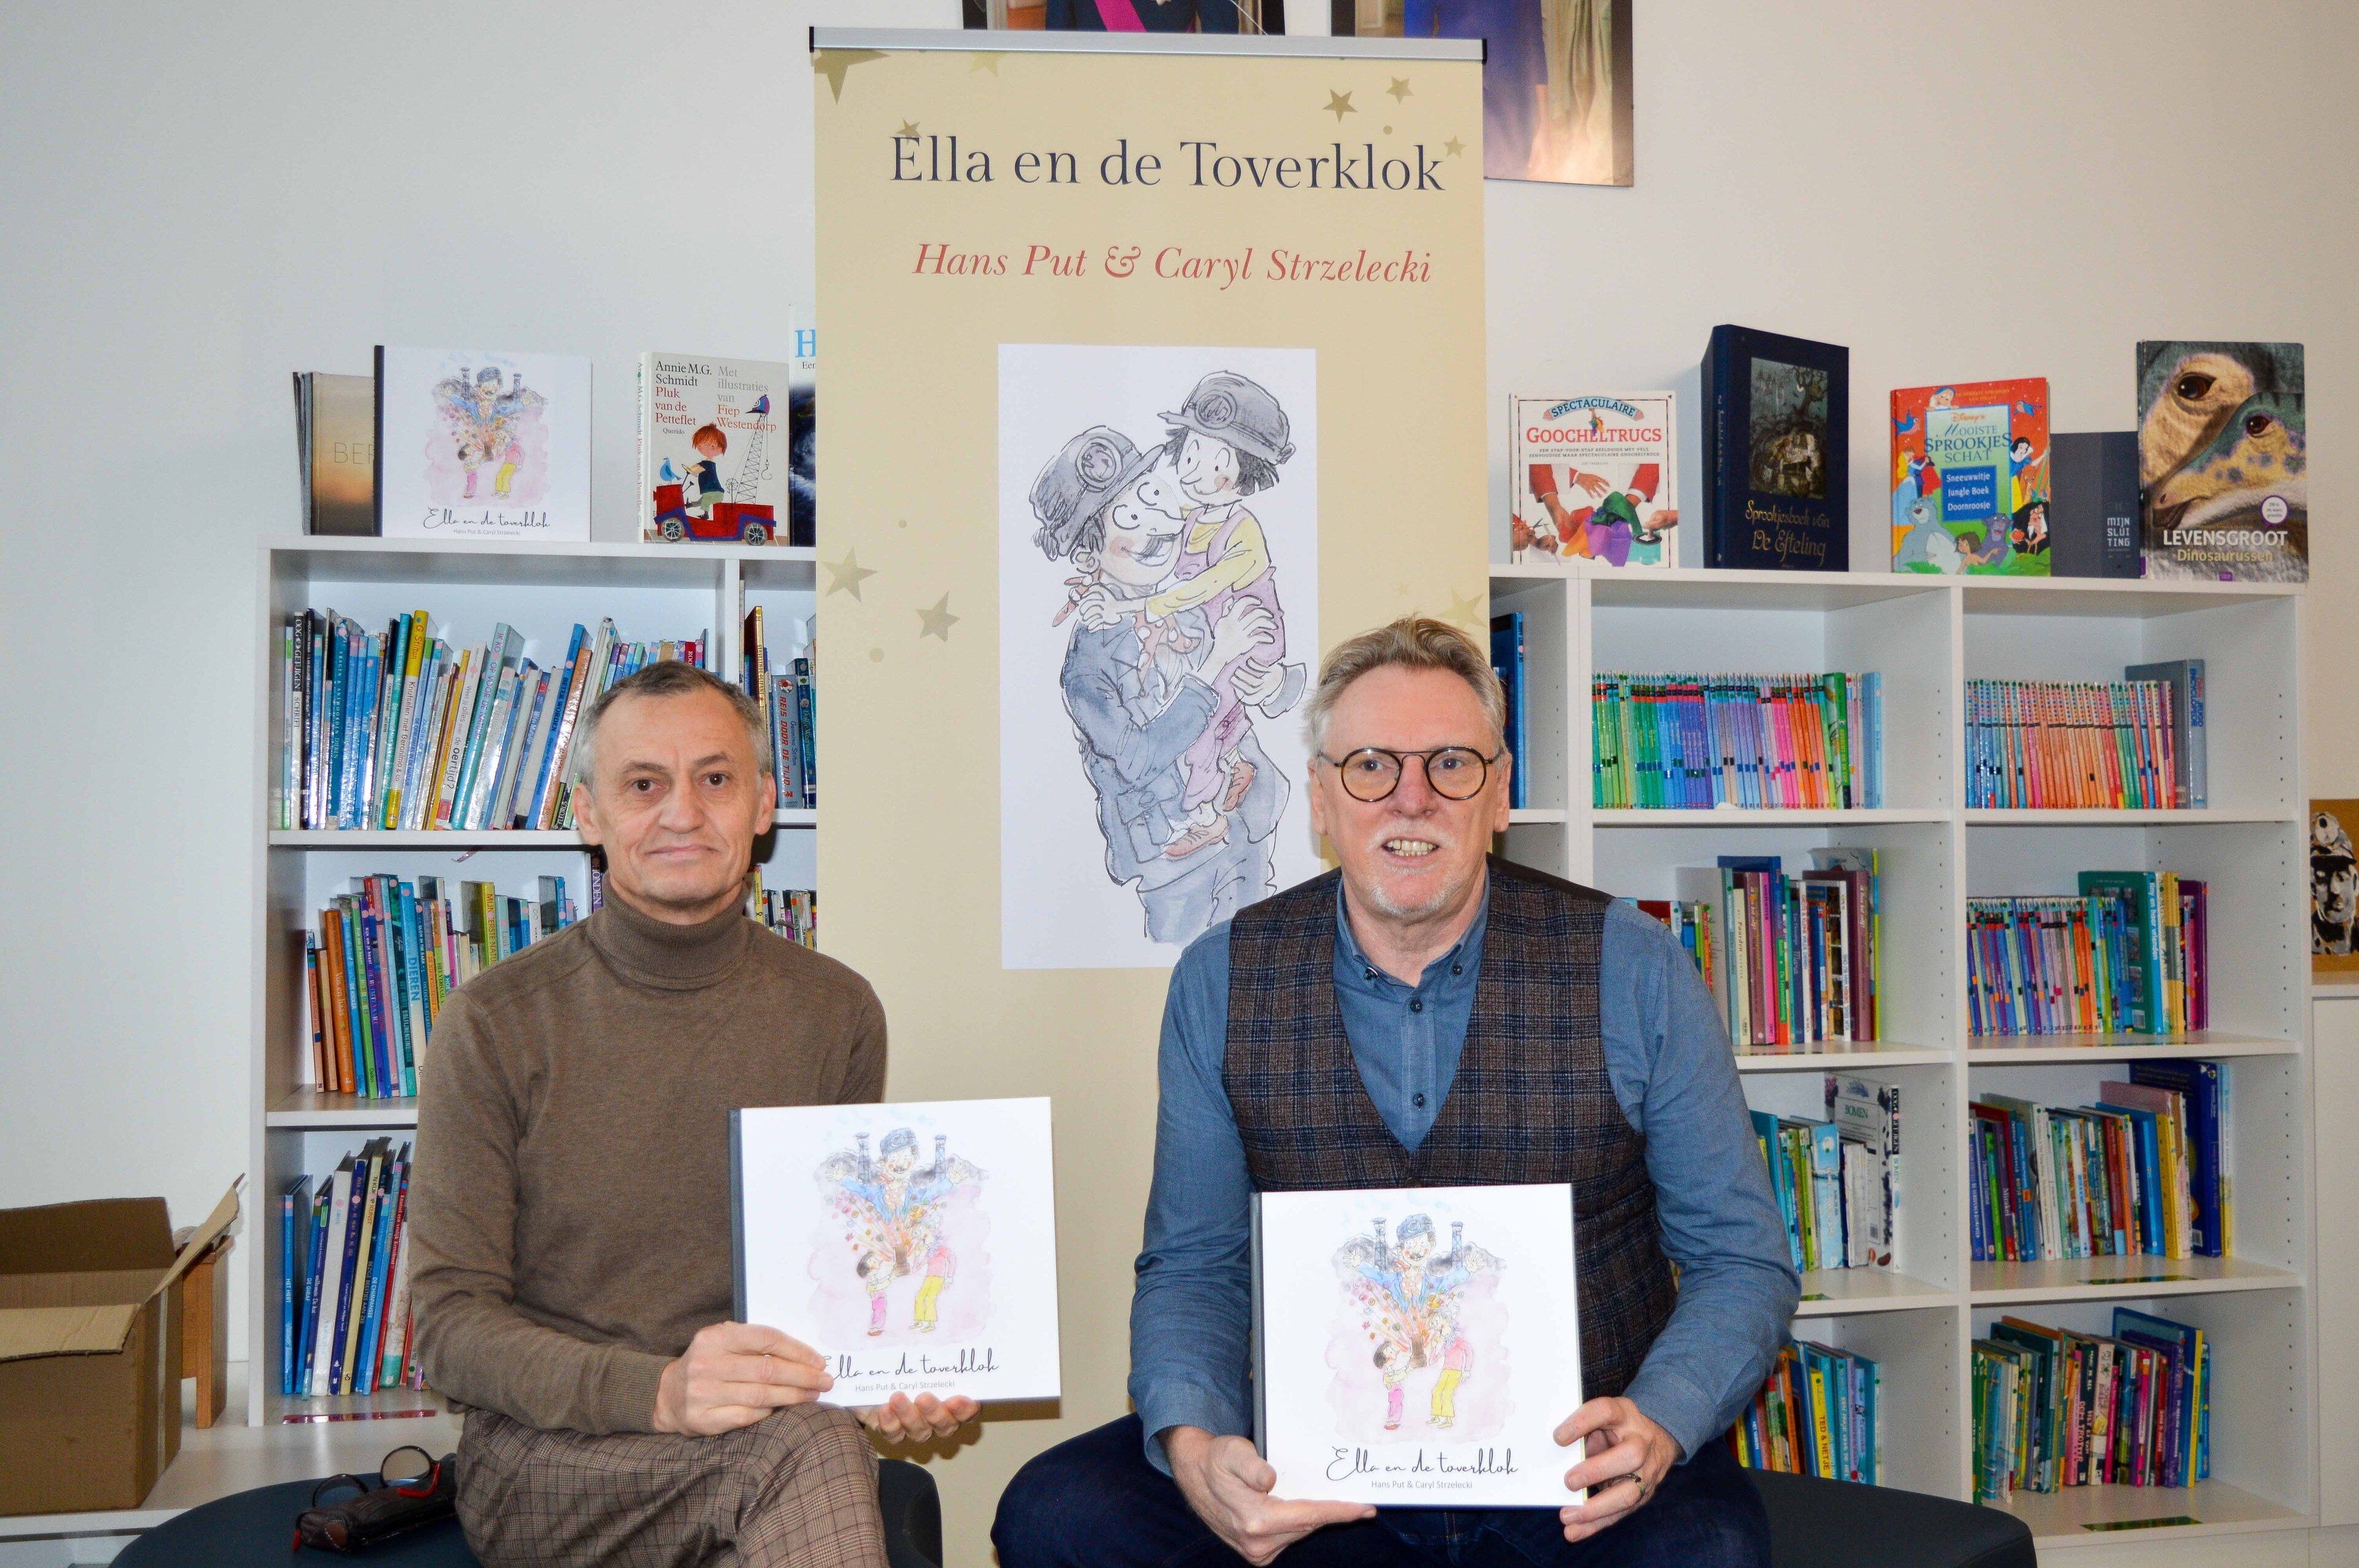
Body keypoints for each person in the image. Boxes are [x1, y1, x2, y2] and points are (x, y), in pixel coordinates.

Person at [995, 616, 1799, 1567]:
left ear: (1499, 793)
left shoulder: (1635, 967)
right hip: (1324, 1474)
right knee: (1055, 1512)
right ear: (1321, 799)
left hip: (1577, 1469)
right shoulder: (1221, 978)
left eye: (1451, 764)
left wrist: (1659, 1421)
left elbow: (1741, 1258)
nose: (1411, 799)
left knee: (1711, 1552)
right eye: (1371, 766)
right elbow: (1194, 1265)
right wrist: (1198, 1446)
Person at [408, 660, 974, 1568]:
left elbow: (841, 1269)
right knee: (809, 1452)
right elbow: (449, 1326)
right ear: (588, 815)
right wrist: (661, 1393)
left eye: (715, 779)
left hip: (763, 1433)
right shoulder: (495, 1022)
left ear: (764, 805)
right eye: (643, 785)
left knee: (808, 1451)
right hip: (550, 1455)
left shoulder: (836, 1012)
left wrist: (890, 1365)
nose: (682, 813)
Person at [1029, 423, 1287, 946]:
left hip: (1247, 829)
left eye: (1150, 495)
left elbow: (1246, 692)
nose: (1154, 524)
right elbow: (1138, 757)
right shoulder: (1088, 666)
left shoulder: (1186, 603)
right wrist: (1217, 660)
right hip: (1176, 865)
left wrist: (1275, 682)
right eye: (1128, 517)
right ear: (1089, 557)